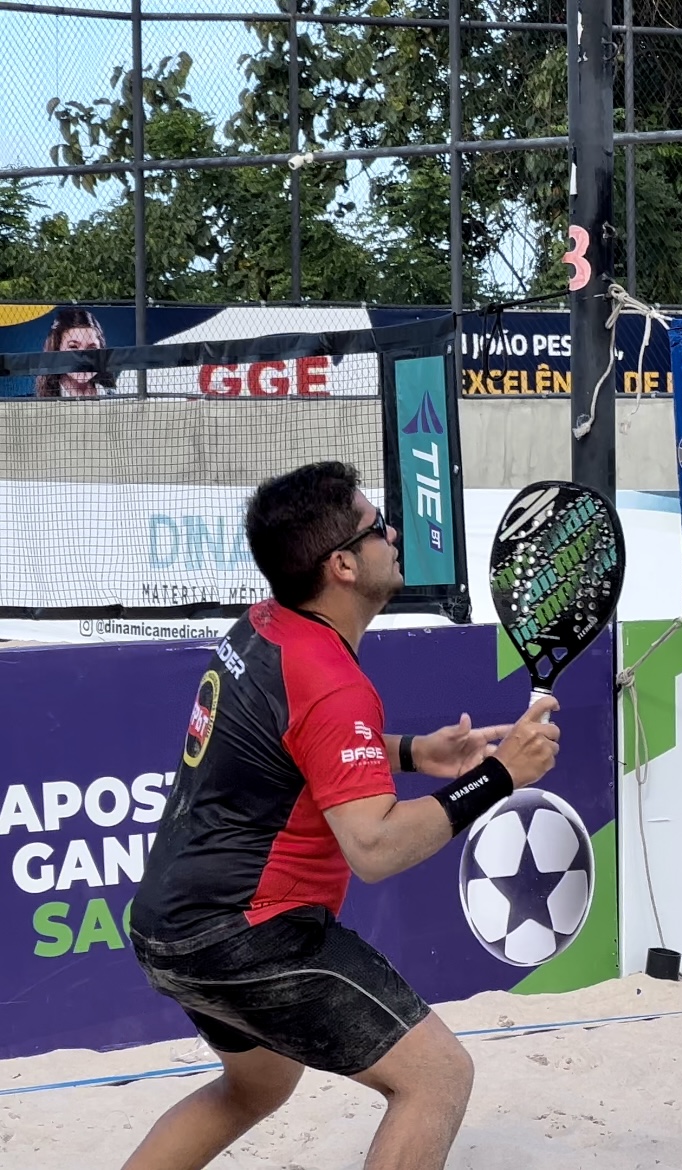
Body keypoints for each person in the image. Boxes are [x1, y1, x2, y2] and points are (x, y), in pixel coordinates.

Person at [124, 461, 563, 1170]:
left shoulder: (262, 629)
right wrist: (499, 775)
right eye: (377, 525)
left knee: (256, 1086)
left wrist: (417, 752)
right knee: (438, 1077)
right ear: (343, 567)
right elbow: (376, 847)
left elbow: (297, 748)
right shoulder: (333, 684)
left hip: (166, 924)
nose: (393, 533)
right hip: (249, 935)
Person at [35, 307, 118, 397]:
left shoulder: (114, 396)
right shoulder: (43, 402)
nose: (84, 358)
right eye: (73, 347)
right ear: (57, 349)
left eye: (91, 348)